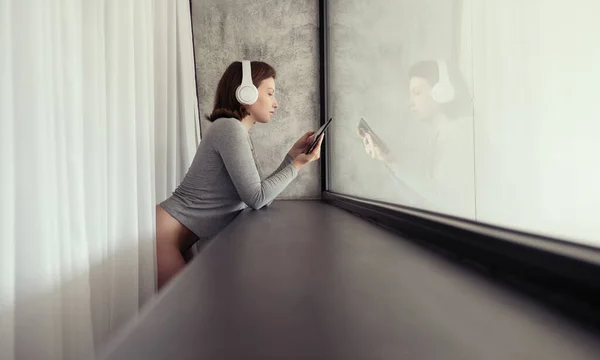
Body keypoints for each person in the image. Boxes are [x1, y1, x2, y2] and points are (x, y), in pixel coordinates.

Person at [156, 60, 323, 290]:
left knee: (190, 317)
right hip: (162, 238)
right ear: (246, 92)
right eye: (270, 93)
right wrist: (297, 165)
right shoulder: (229, 129)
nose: (276, 103)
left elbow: (260, 194)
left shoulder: (236, 131)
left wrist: (290, 158)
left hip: (172, 236)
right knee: (182, 319)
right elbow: (255, 198)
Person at [359, 60, 475, 219]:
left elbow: (446, 200)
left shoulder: (463, 134)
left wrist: (394, 165)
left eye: (417, 92)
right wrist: (387, 160)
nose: (410, 103)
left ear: (441, 93)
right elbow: (421, 198)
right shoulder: (437, 138)